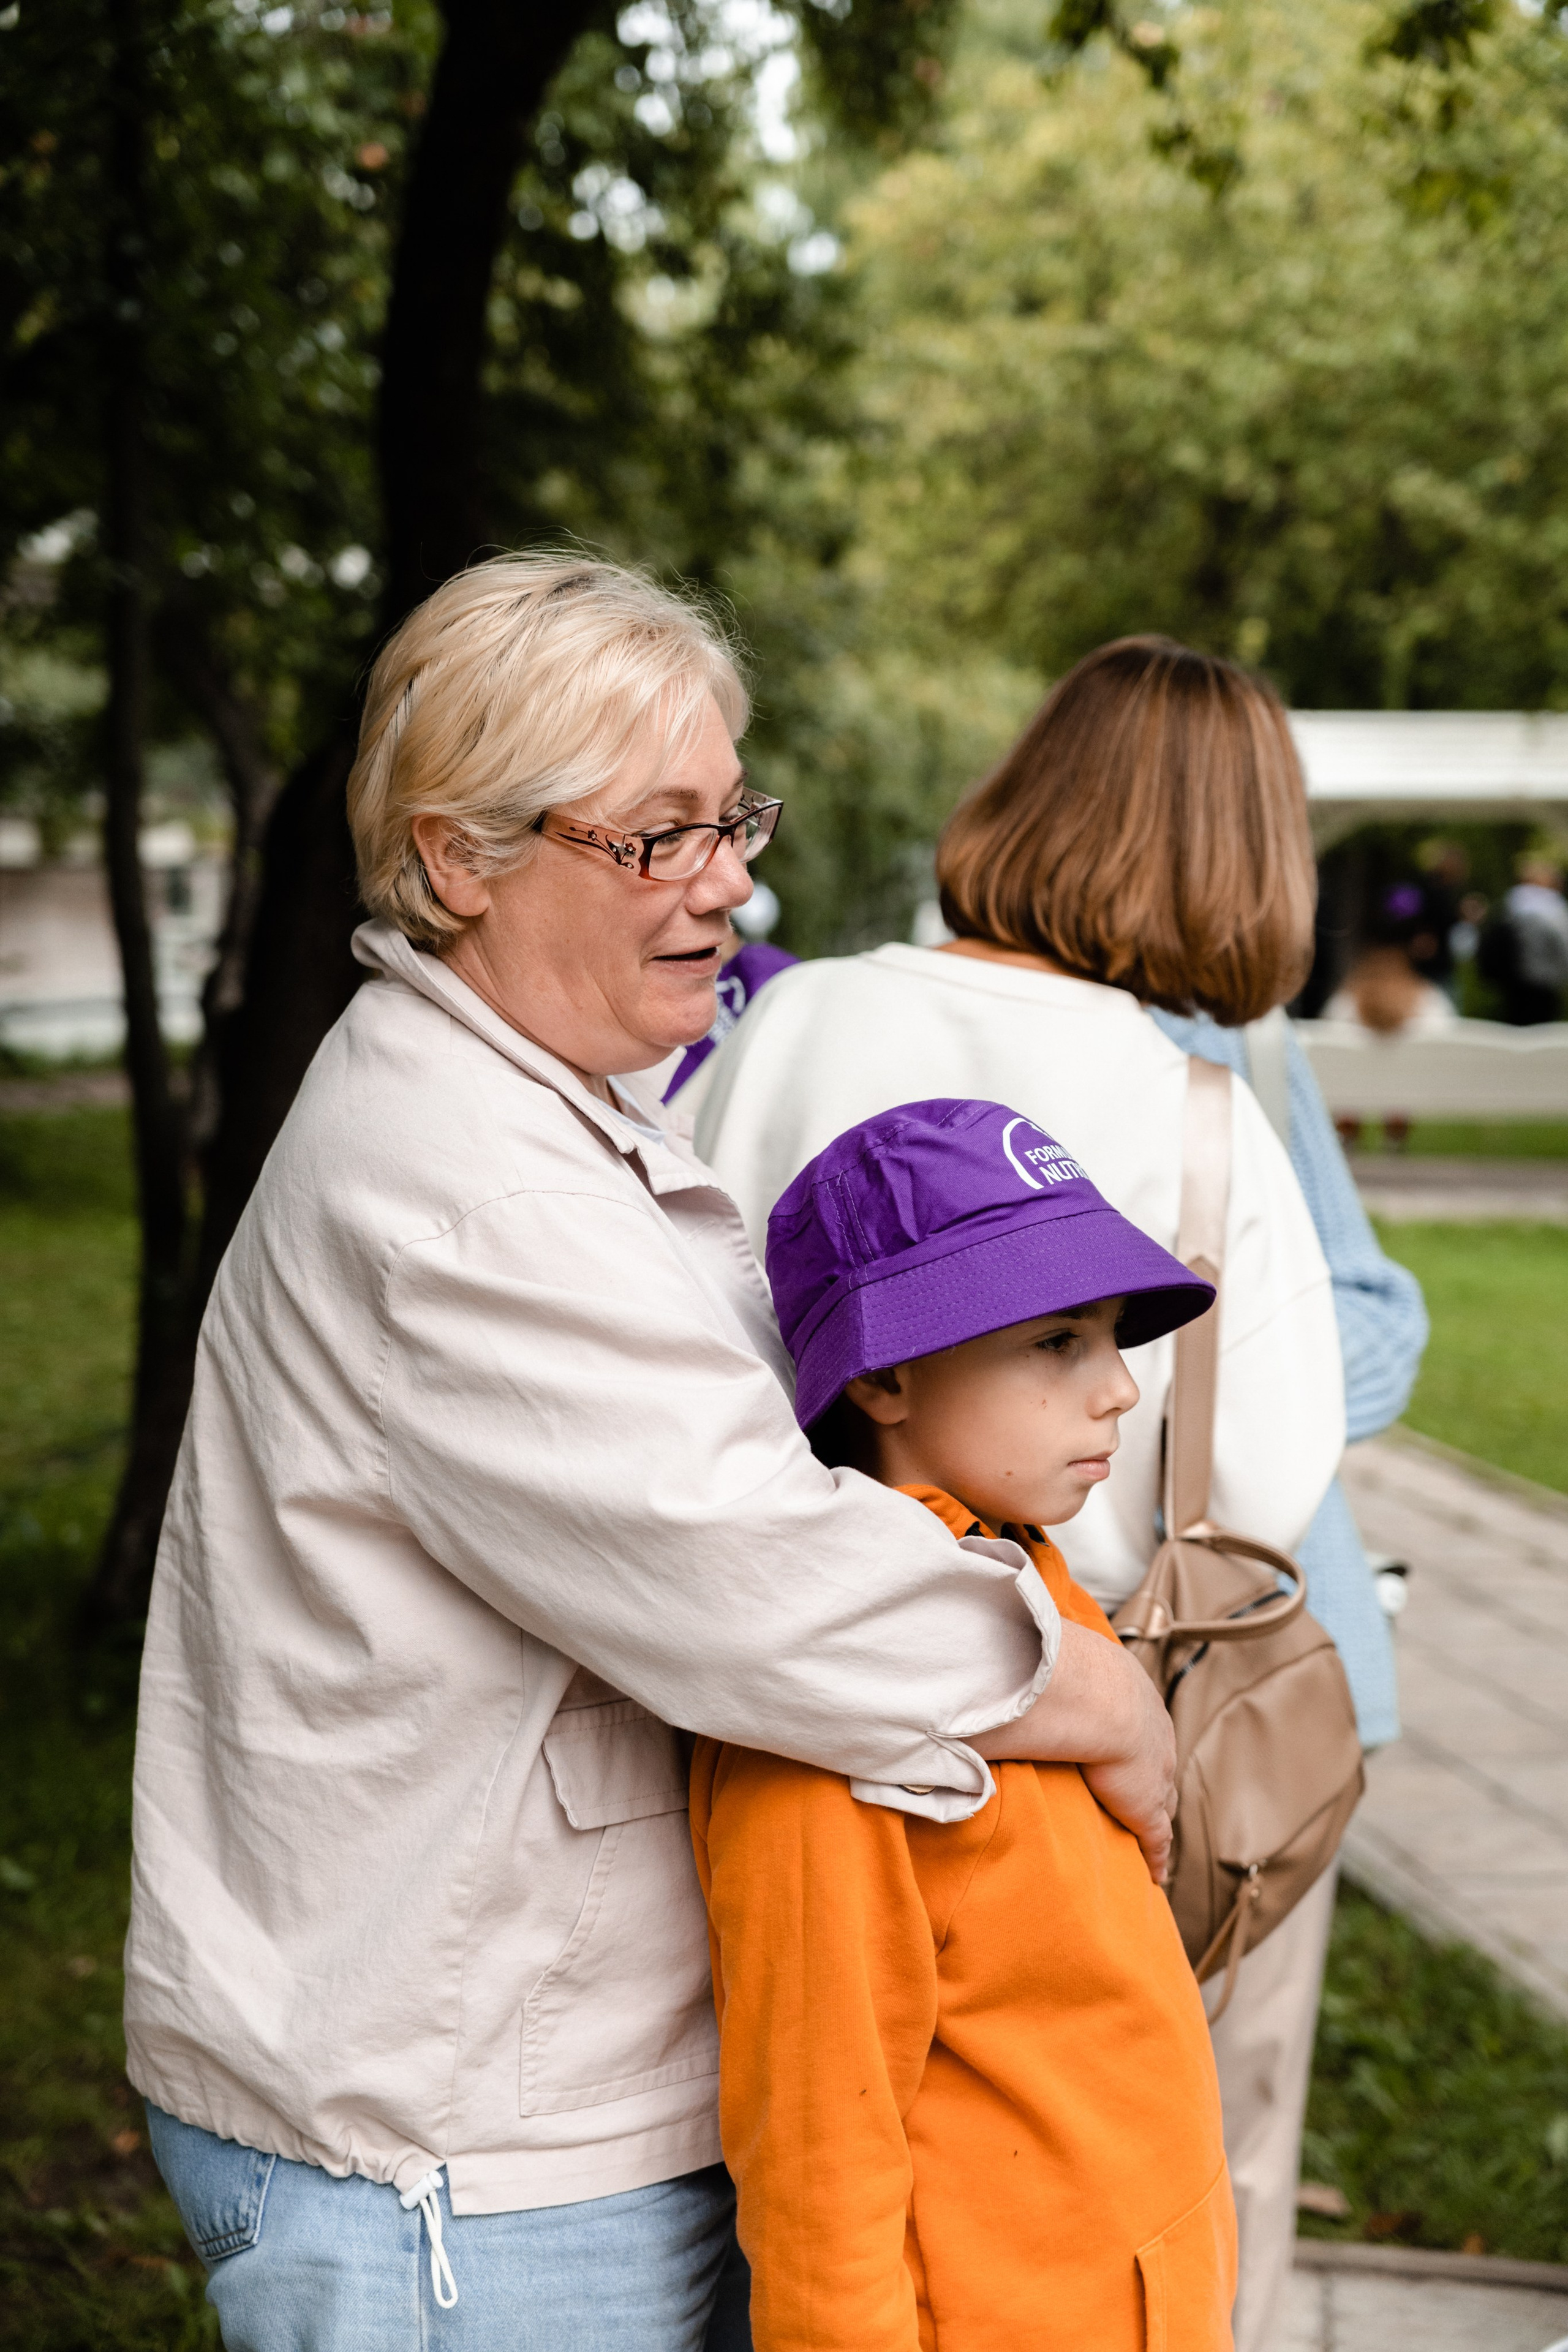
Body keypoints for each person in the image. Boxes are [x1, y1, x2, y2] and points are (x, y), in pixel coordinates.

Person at [124, 559, 1178, 2352]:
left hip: (498, 2114)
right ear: (459, 858)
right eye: (660, 840)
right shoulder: (467, 1189)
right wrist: (1104, 1698)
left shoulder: (547, 1107)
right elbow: (765, 1586)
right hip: (455, 2163)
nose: (733, 885)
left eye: (732, 821)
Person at [694, 636, 1356, 2352]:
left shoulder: (797, 1016)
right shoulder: (1202, 1109)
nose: (1106, 1379)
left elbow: (684, 1324)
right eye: (1060, 1341)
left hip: (767, 1635)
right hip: (1079, 1717)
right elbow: (1275, 1478)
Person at [692, 1098, 1237, 2352]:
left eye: (1108, 1337)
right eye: (1054, 1341)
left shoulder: (1026, 1571)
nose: (1116, 1389)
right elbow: (819, 2151)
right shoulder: (833, 1722)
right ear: (882, 1372)